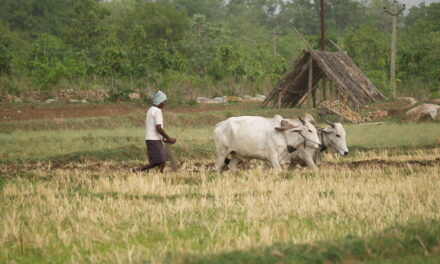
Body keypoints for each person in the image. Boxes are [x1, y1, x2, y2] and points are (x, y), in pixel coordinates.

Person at [132, 90, 176, 173]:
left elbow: (155, 128)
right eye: (164, 101)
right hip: (153, 140)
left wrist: (164, 138)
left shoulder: (151, 110)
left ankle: (158, 174)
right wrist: (169, 138)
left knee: (161, 160)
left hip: (152, 139)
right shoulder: (157, 111)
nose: (164, 104)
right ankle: (138, 170)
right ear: (159, 101)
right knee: (160, 160)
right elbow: (158, 128)